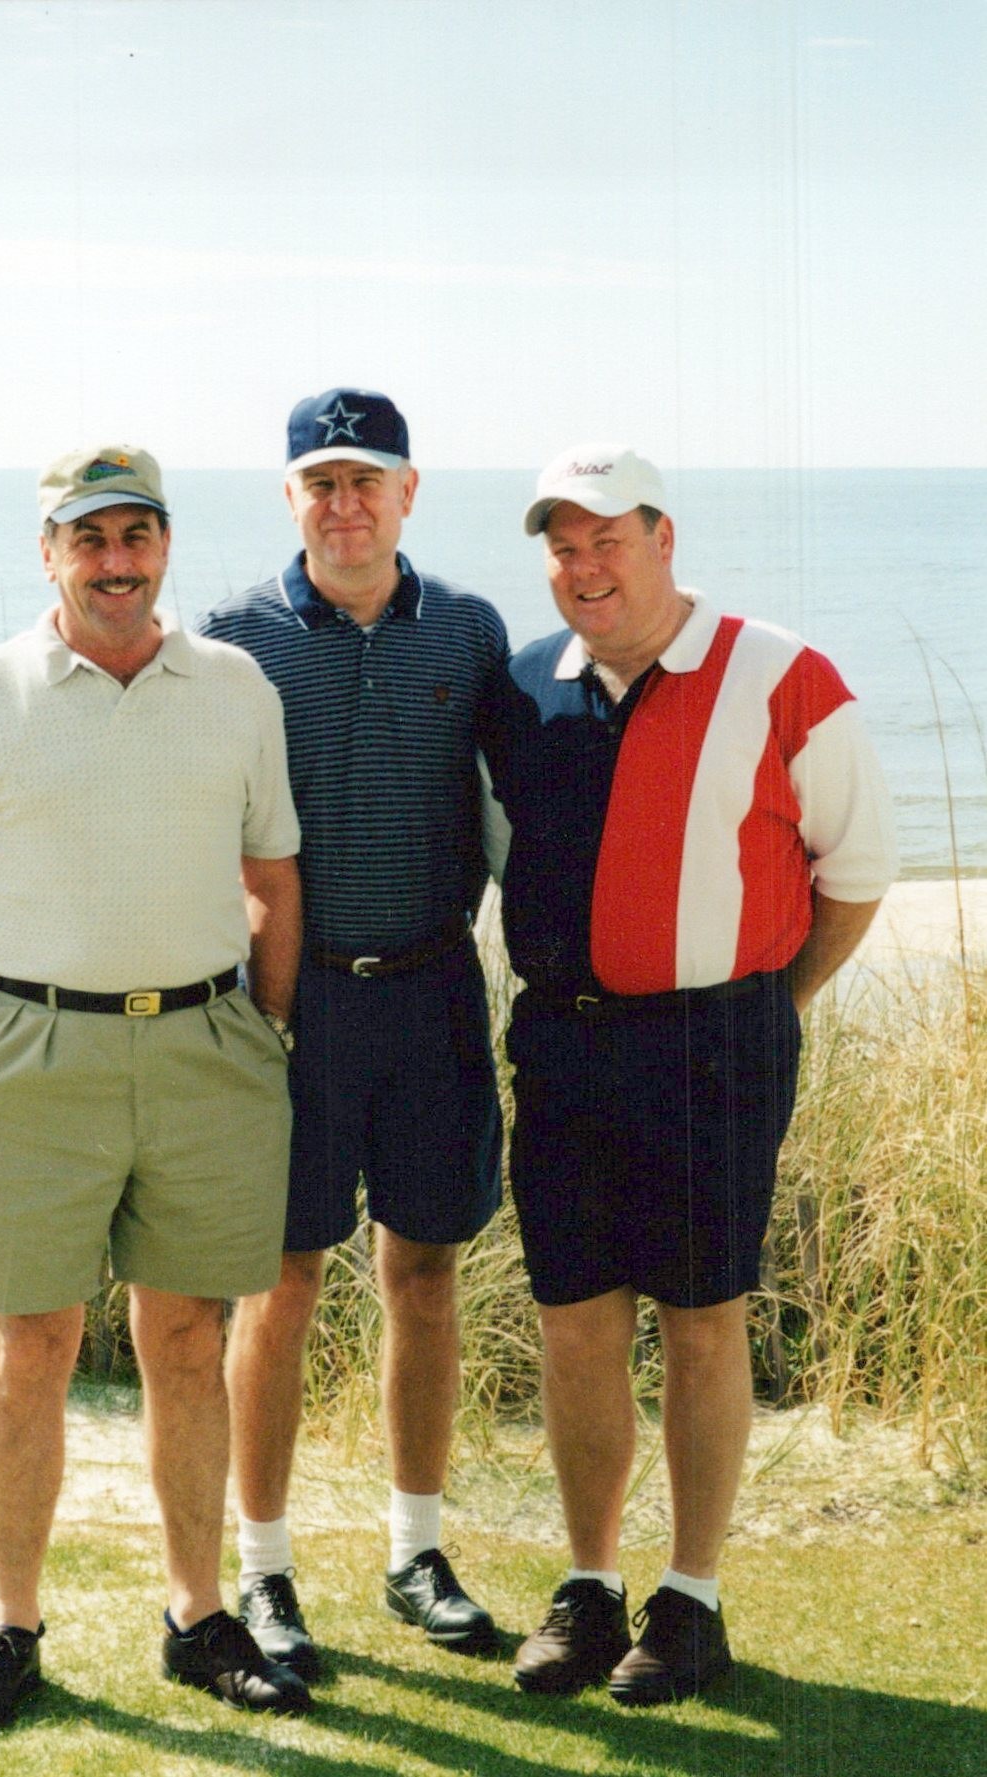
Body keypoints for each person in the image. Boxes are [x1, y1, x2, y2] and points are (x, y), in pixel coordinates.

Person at [0, 445, 311, 1732]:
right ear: (50, 554)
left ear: (165, 546)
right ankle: (12, 1627)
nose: (115, 563)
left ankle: (198, 1616)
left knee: (187, 1339)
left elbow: (272, 873)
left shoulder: (234, 686)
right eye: (90, 539)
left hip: (203, 1053)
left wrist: (262, 1028)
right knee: (32, 1345)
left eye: (136, 536)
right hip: (32, 1055)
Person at [482, 443, 898, 1706]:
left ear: (663, 538)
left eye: (606, 538)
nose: (583, 566)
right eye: (562, 546)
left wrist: (765, 1007)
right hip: (562, 1040)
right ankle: (590, 1585)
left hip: (715, 1044)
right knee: (575, 1318)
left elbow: (855, 873)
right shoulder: (523, 687)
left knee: (702, 1314)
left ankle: (692, 1597)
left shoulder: (783, 675)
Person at [196, 388, 507, 1679]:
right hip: (292, 1005)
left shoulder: (471, 632)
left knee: (422, 1273)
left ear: (407, 492)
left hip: (433, 991)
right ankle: (264, 1570)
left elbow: (515, 805)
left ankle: (414, 1554)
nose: (343, 504)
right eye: (319, 481)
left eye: (365, 479)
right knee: (281, 1282)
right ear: (289, 498)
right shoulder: (232, 640)